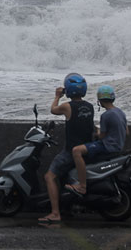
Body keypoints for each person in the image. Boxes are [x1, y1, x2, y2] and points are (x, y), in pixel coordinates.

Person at [38, 73, 95, 223]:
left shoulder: (67, 106)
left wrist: (57, 95)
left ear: (68, 90)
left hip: (71, 152)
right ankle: (67, 207)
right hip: (87, 148)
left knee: (49, 177)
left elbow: (53, 110)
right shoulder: (89, 106)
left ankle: (55, 213)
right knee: (63, 178)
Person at [65, 85, 129, 195]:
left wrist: (97, 132)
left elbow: (102, 137)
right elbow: (126, 131)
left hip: (108, 146)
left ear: (99, 100)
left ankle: (82, 186)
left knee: (76, 151)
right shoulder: (120, 112)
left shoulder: (106, 115)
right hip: (118, 145)